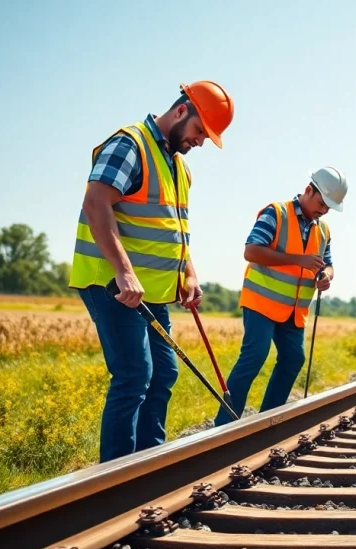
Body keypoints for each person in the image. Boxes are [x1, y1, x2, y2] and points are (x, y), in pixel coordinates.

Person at [69, 81, 234, 462]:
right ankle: (115, 477)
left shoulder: (179, 168)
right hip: (112, 283)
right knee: (133, 377)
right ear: (181, 112)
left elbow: (174, 228)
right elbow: (96, 203)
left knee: (163, 374)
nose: (200, 142)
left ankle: (148, 463)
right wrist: (124, 272)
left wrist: (189, 273)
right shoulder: (130, 145)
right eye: (199, 132)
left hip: (153, 292)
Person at [214, 167, 348, 426]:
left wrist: (327, 276)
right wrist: (298, 260)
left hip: (293, 311)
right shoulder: (276, 213)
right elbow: (251, 251)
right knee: (255, 355)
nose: (323, 211)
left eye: (329, 208)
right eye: (321, 203)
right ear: (309, 190)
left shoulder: (324, 231)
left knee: (293, 358)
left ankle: (267, 421)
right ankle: (224, 425)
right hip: (261, 303)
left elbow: (327, 264)